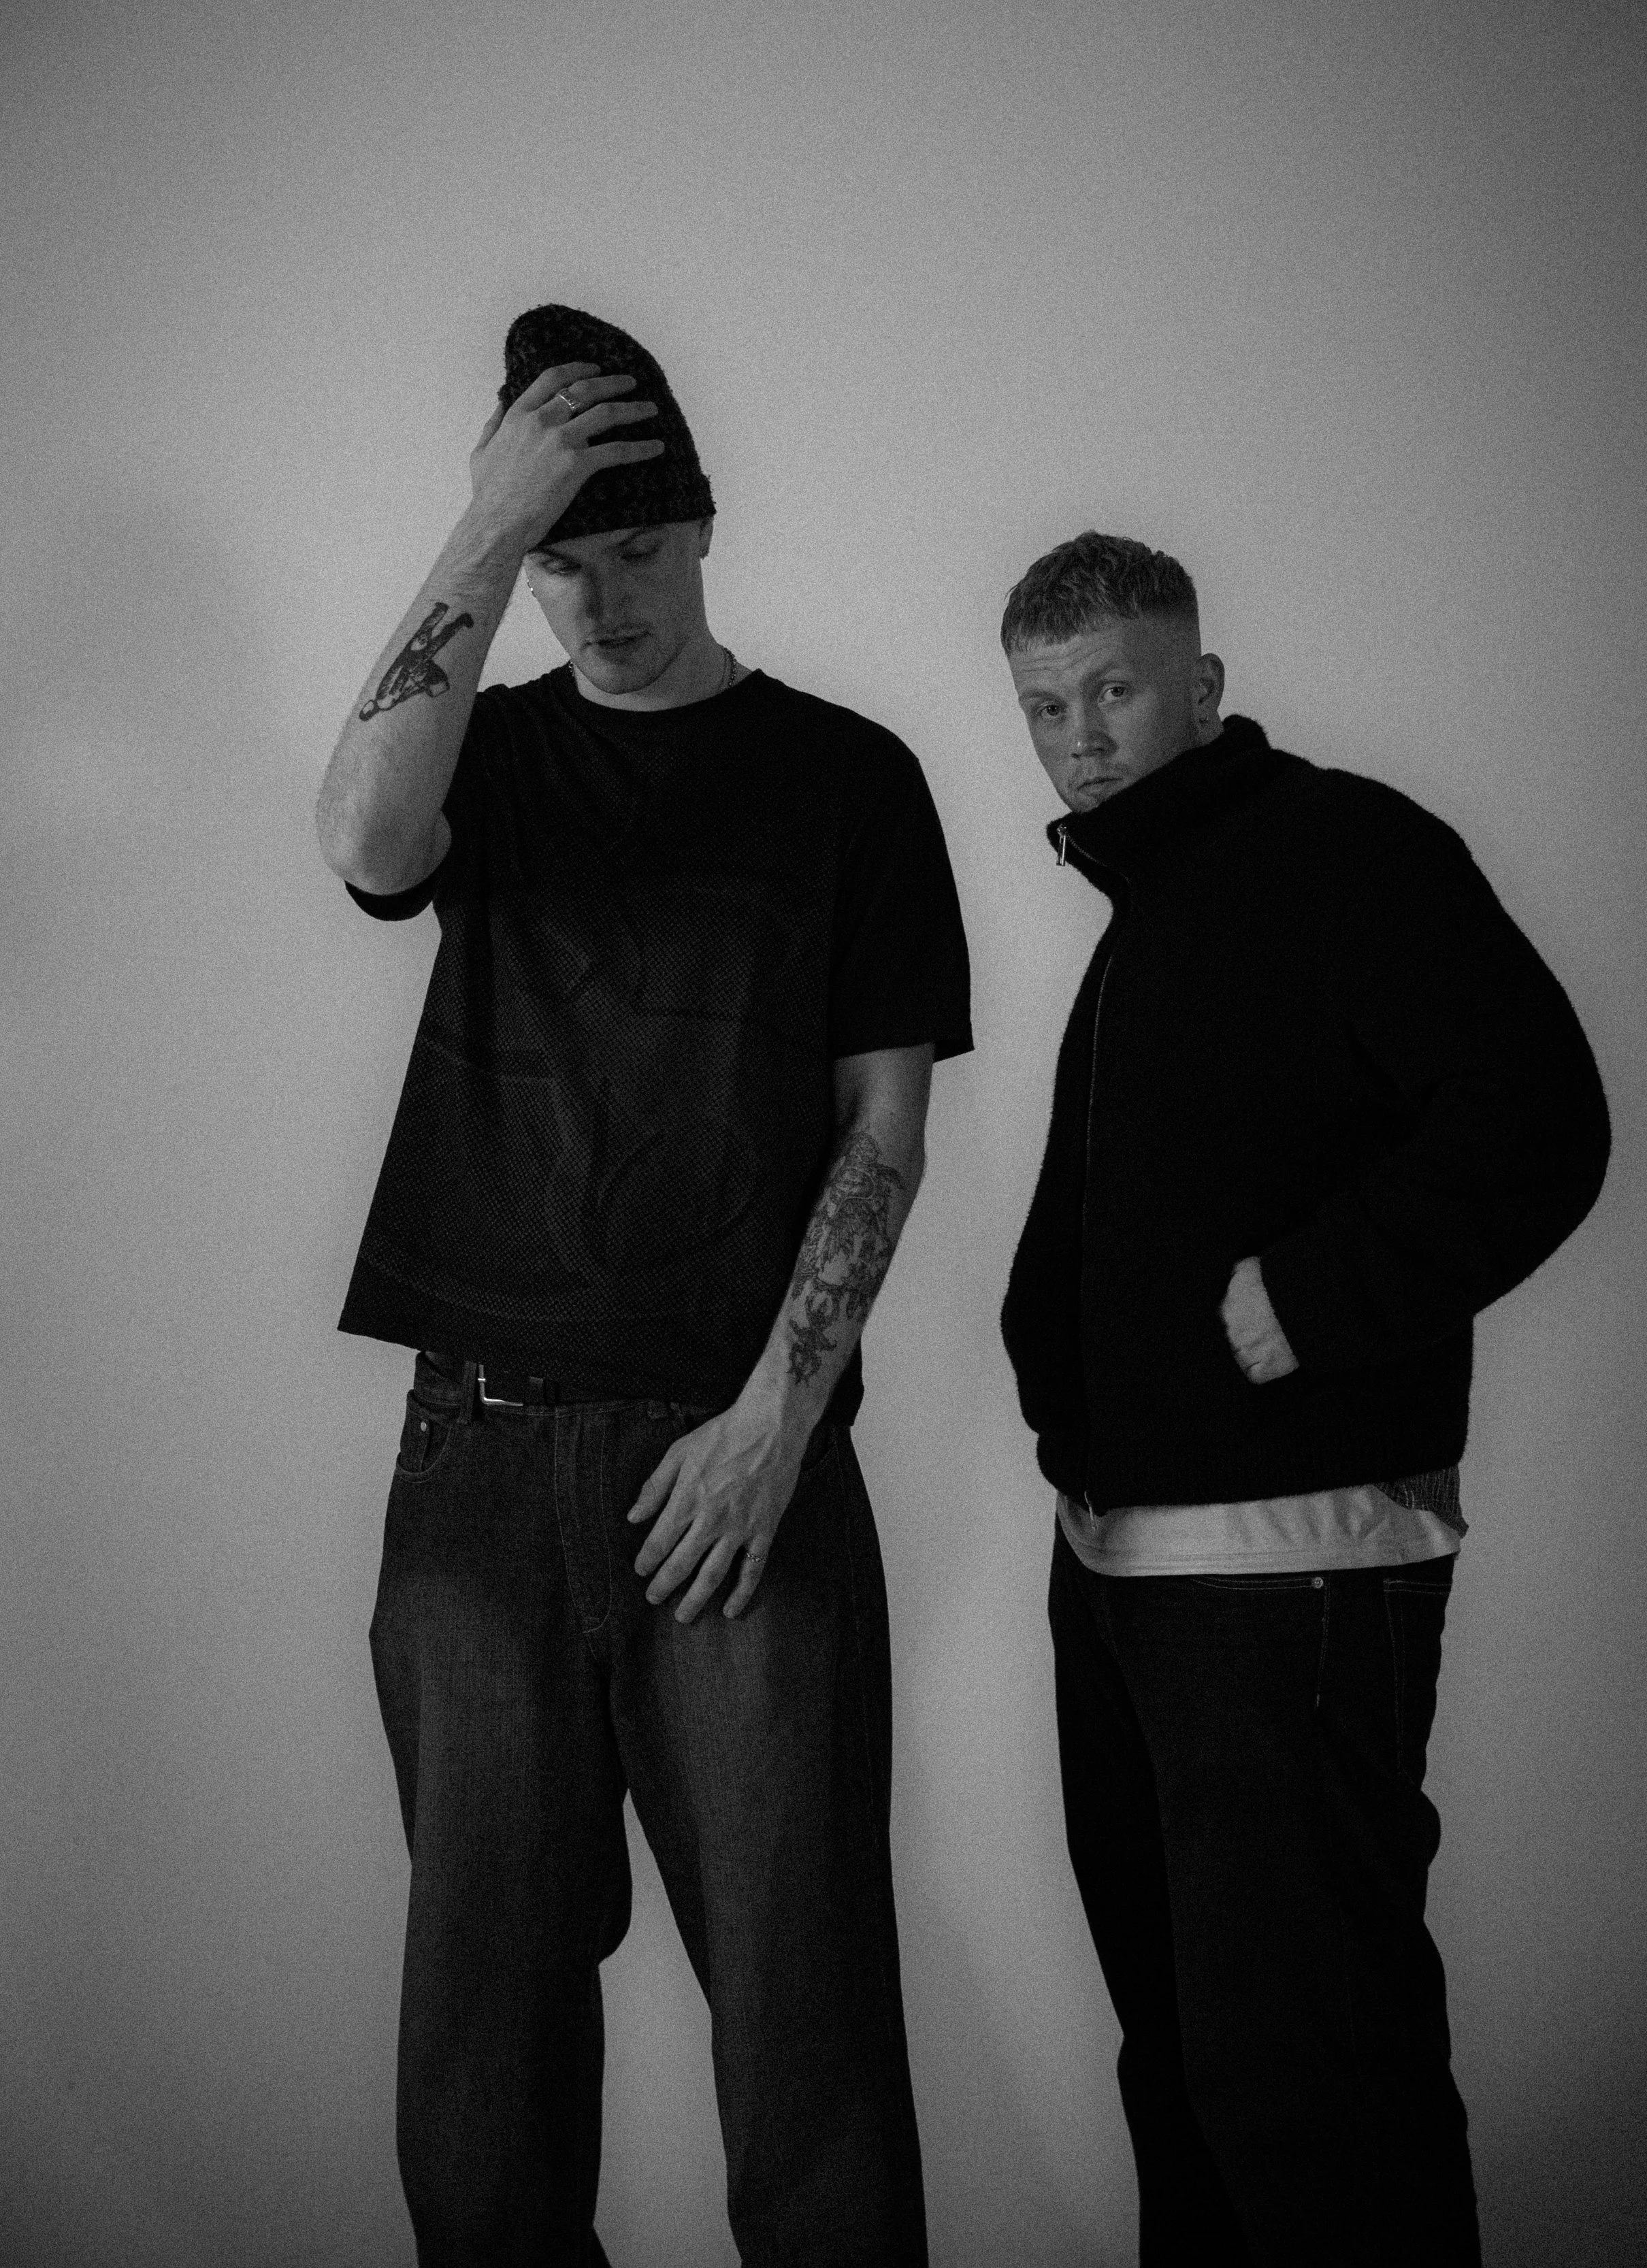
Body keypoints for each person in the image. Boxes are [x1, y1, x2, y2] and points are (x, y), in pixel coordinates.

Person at [314, 302, 971, 2267]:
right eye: (563, 563)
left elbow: (881, 1133)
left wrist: (779, 1418)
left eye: (639, 554)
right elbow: (357, 833)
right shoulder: (488, 754)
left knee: (805, 2028)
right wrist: (478, 529)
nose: (601, 604)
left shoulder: (849, 780)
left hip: (737, 1463)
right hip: (477, 1456)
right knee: (482, 2060)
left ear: (710, 532)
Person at [997, 531, 1610, 2267]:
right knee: (1187, 2081)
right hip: (1123, 1579)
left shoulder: (1342, 850)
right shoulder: (1154, 912)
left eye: (1113, 690)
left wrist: (1315, 1299)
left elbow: (1542, 1120)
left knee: (1312, 2095)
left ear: (1199, 686)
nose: (1080, 739)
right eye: (1044, 709)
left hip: (1291, 1574)